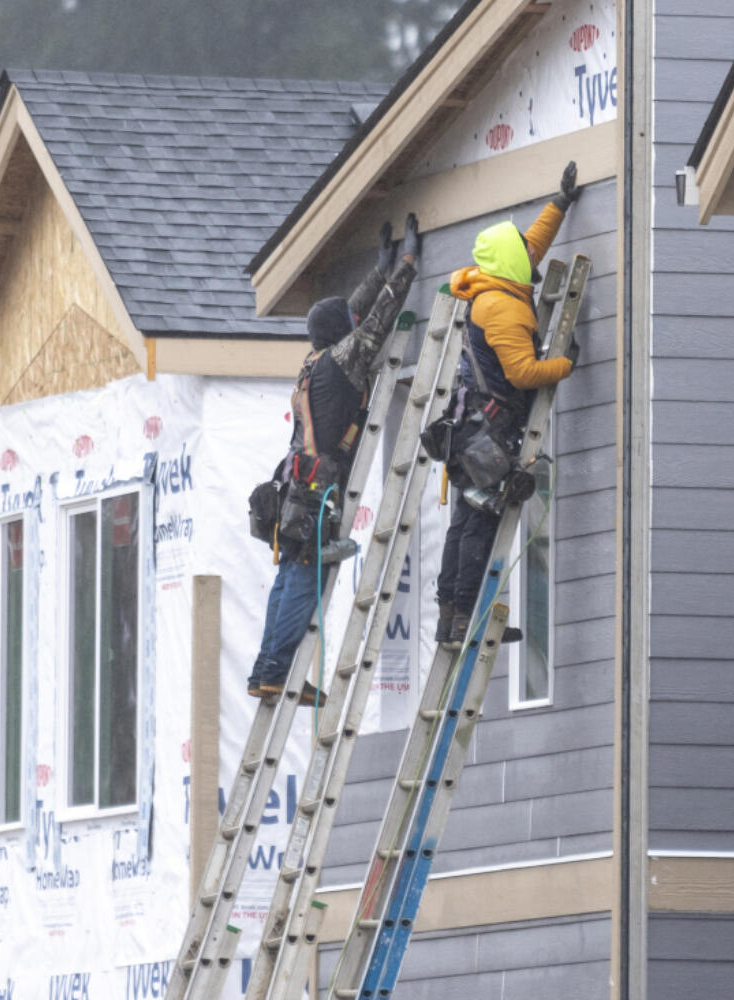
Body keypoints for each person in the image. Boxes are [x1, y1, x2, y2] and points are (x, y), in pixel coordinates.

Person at [248, 214, 421, 705]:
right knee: (304, 573)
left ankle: (267, 670)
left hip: (294, 487)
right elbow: (377, 321)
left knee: (288, 575)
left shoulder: (315, 361)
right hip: (316, 489)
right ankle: (278, 674)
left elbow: (351, 315)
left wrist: (379, 266)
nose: (352, 322)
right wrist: (406, 263)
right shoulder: (343, 360)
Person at [434, 161, 583, 645]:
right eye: (521, 251)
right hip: (488, 431)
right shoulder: (501, 307)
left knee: (463, 521)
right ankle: (463, 622)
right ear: (509, 261)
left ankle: (449, 616)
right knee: (479, 523)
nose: (530, 253)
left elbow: (529, 247)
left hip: (470, 426)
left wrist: (558, 204)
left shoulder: (494, 282)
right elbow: (522, 373)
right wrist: (564, 364)